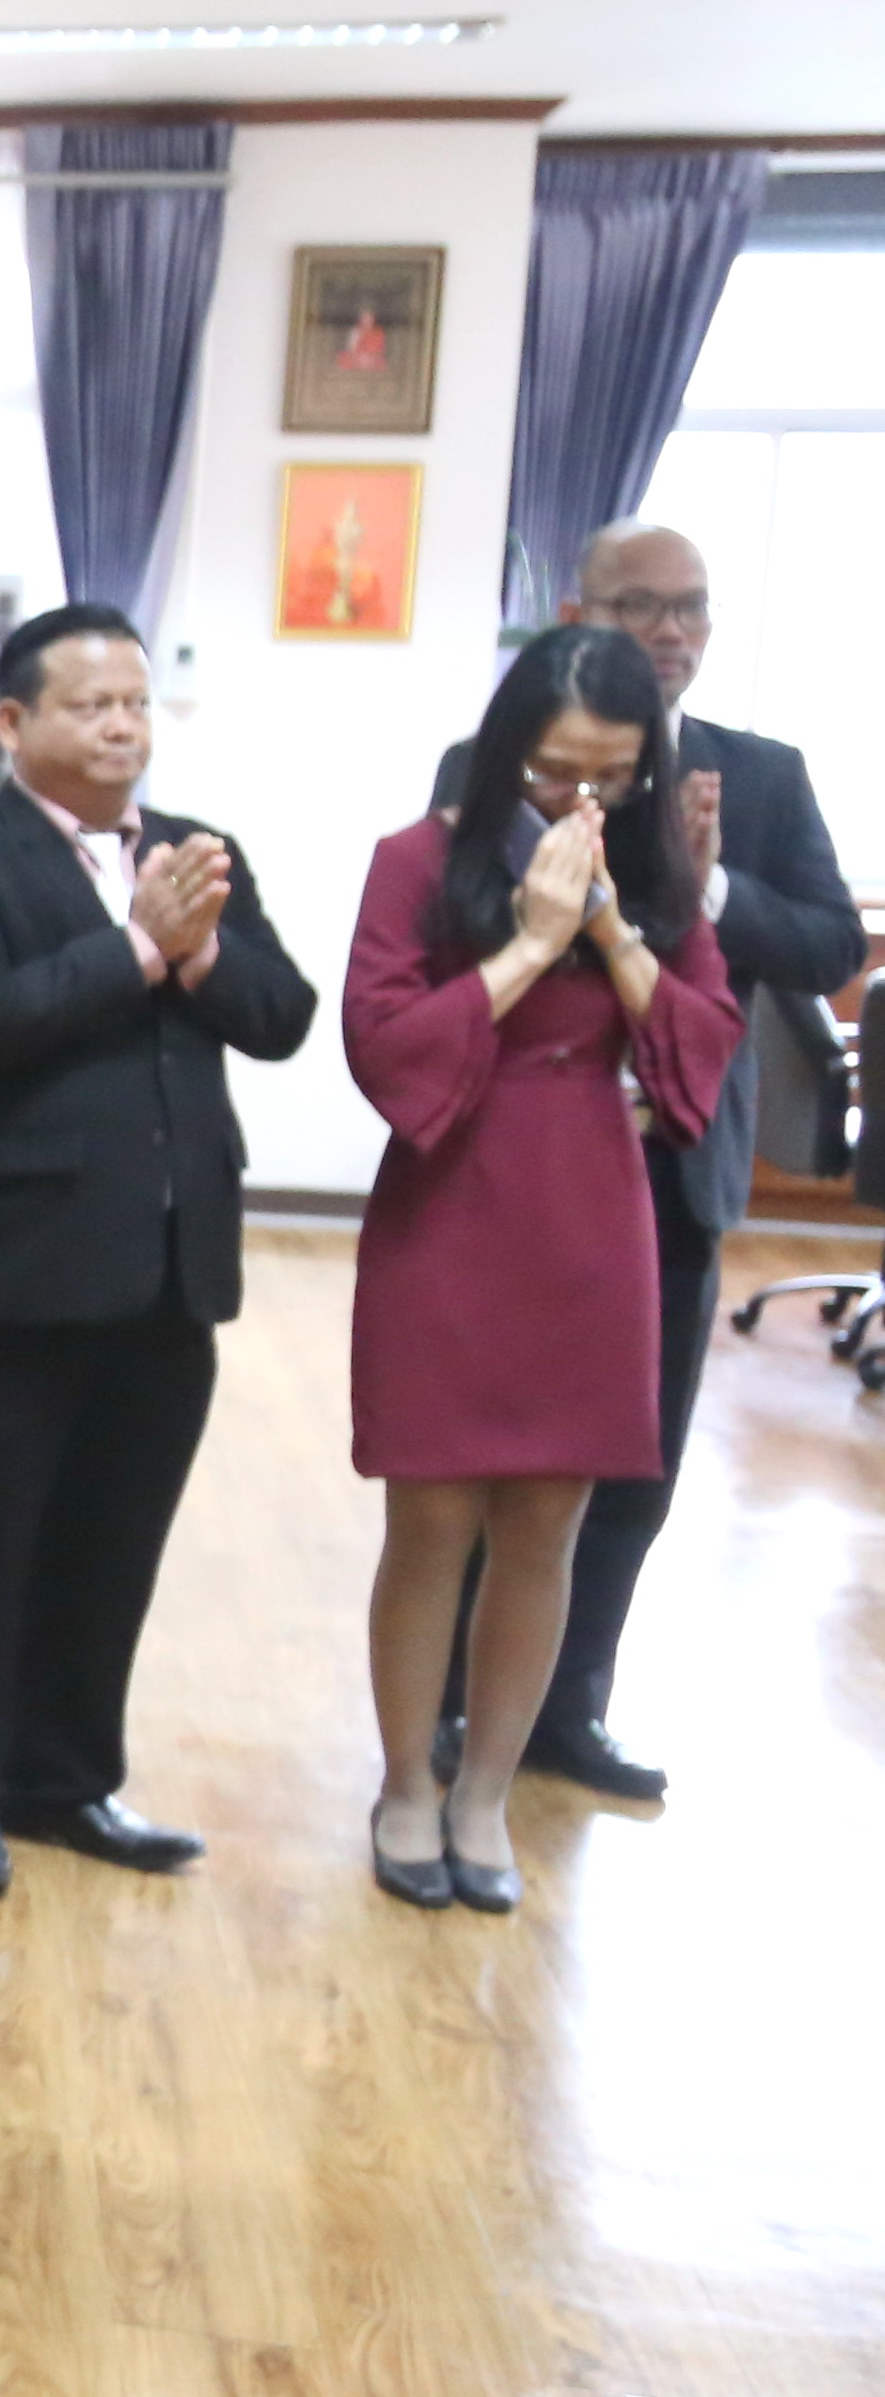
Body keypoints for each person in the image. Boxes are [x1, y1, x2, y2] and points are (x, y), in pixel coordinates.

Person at [416, 521, 863, 1802]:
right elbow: (449, 933)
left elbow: (830, 945)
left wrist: (708, 890)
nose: (670, 631)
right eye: (641, 606)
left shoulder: (758, 775)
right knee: (486, 1453)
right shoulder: (491, 762)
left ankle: (565, 1709)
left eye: (692, 608)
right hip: (517, 1167)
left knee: (632, 1459)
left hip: (671, 1164)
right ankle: (450, 1707)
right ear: (579, 614)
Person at [0, 603, 319, 1903]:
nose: (122, 726)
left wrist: (197, 953)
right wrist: (137, 947)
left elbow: (282, 1015)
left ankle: (64, 1780)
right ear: (13, 721)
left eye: (134, 702)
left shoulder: (197, 850)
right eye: (90, 705)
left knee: (110, 1538)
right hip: (6, 1266)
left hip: (169, 1262)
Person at [351, 624, 740, 1912]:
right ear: (503, 745)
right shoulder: (416, 860)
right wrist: (526, 944)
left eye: (611, 777)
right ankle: (407, 1785)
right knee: (430, 1519)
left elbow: (701, 1043)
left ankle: (484, 1794)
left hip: (589, 1207)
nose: (579, 800)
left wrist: (615, 930)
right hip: (452, 1195)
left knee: (546, 1524)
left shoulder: (658, 872)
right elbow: (383, 1044)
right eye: (552, 770)